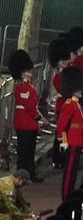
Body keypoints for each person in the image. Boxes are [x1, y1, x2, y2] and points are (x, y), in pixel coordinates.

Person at [7, 51, 43, 181]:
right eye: (27, 71)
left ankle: (29, 174)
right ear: (22, 72)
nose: (30, 73)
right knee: (24, 152)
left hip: (28, 123)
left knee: (29, 151)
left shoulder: (26, 86)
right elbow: (29, 106)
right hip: (25, 123)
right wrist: (39, 118)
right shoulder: (22, 87)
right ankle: (22, 176)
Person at [55, 66, 83, 199]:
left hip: (77, 141)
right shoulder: (69, 104)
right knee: (69, 172)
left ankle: (69, 193)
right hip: (72, 142)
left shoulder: (75, 104)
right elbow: (60, 126)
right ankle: (66, 195)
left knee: (73, 172)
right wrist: (64, 142)